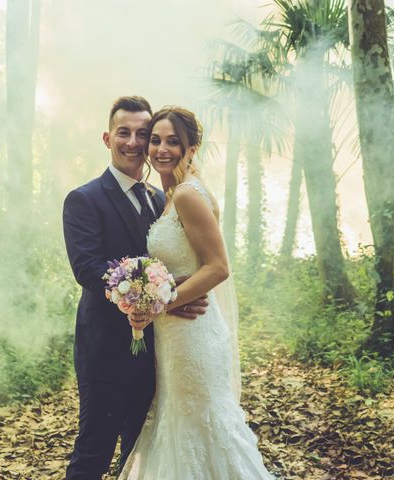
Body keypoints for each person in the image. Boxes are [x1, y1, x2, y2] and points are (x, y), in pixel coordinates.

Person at [118, 106, 275, 479]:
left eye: (173, 141)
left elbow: (218, 266)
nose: (161, 149)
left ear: (193, 146)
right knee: (180, 422)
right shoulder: (170, 195)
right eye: (155, 140)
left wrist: (159, 303)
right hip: (175, 334)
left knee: (200, 424)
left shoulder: (187, 194)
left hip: (193, 333)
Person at [62, 96, 207, 480]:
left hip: (156, 351)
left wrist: (177, 295)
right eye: (123, 133)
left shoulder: (160, 198)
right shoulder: (84, 199)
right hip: (105, 351)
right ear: (107, 138)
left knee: (140, 452)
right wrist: (158, 295)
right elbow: (88, 269)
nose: (133, 142)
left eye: (142, 134)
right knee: (94, 450)